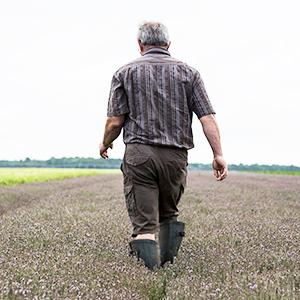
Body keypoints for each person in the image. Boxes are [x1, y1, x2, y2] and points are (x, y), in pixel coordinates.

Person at [99, 21, 228, 270]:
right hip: (175, 157)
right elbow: (207, 118)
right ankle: (167, 271)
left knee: (145, 225)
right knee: (169, 216)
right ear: (168, 44)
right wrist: (218, 154)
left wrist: (105, 144)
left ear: (140, 44)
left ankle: (148, 275)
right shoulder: (189, 73)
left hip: (139, 155)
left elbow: (115, 122)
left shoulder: (124, 73)